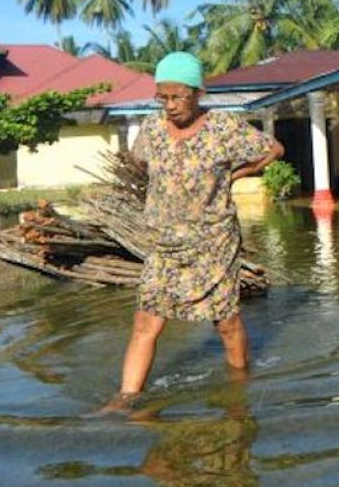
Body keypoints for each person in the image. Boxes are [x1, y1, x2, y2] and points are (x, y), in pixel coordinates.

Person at [110, 52, 283, 406]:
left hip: (212, 242)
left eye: (177, 96)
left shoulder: (223, 128)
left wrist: (238, 174)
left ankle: (240, 387)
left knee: (226, 323)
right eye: (162, 97)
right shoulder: (153, 129)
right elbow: (143, 164)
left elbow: (274, 149)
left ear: (197, 92)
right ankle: (125, 400)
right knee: (146, 323)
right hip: (164, 245)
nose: (169, 105)